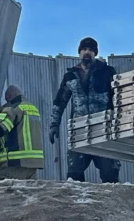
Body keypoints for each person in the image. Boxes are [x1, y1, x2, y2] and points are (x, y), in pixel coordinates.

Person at [50, 36, 120, 183]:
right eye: (84, 49)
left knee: (110, 174)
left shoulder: (107, 72)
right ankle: (77, 199)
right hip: (79, 130)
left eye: (91, 50)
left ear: (95, 53)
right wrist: (54, 124)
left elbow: (119, 97)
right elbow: (60, 101)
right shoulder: (70, 76)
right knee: (74, 174)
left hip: (104, 129)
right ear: (79, 52)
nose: (87, 52)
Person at [0, 85, 45, 180]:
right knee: (26, 190)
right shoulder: (32, 109)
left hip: (14, 164)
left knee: (5, 189)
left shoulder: (12, 108)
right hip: (32, 165)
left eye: (6, 100)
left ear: (9, 96)